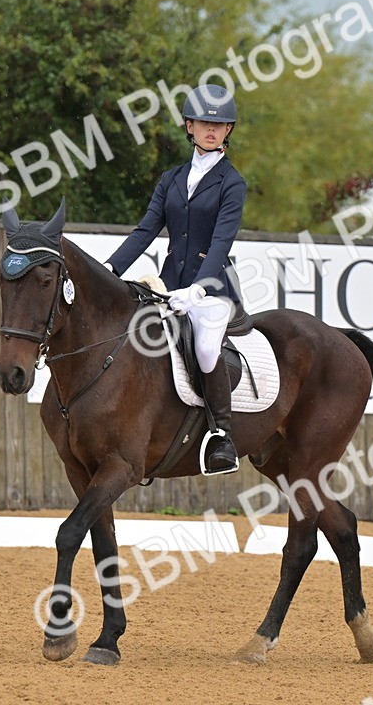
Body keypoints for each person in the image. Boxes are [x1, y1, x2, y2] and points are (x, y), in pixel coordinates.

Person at [104, 84, 246, 476]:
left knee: (203, 346)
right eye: (204, 123)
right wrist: (111, 270)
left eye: (220, 124)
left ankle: (222, 436)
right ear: (189, 125)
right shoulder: (171, 178)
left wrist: (199, 287)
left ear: (228, 130)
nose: (212, 130)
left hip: (214, 289)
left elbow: (221, 241)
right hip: (168, 285)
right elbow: (145, 230)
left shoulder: (232, 183)